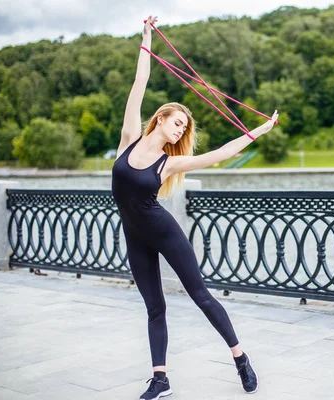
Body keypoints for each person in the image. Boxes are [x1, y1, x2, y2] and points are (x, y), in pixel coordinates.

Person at [111, 15, 279, 400]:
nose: (181, 130)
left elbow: (218, 154)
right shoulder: (129, 138)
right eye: (178, 122)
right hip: (134, 235)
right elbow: (140, 83)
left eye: (184, 128)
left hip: (162, 230)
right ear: (161, 118)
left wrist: (258, 131)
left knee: (200, 295)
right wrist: (146, 38)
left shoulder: (168, 163)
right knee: (155, 308)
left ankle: (240, 358)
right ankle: (160, 379)